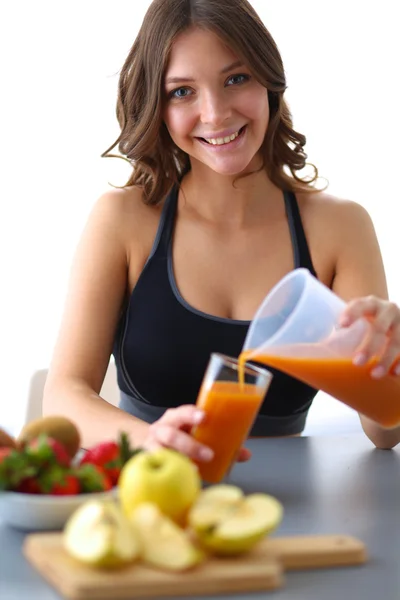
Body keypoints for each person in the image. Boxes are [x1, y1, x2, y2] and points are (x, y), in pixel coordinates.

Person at [43, 0, 400, 457]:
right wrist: (155, 441)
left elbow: (385, 430)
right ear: (157, 104)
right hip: (150, 499)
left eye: (236, 78)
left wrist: (390, 359)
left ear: (269, 81)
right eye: (182, 91)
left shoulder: (340, 226)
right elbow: (64, 397)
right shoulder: (124, 220)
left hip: (290, 515)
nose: (215, 113)